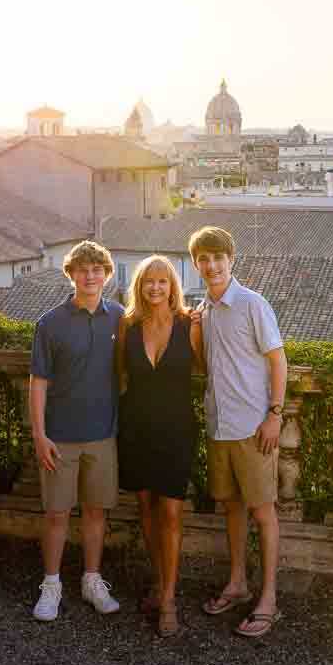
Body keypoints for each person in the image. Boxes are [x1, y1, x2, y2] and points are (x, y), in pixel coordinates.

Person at [190, 226, 288, 639]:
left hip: (253, 427)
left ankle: (269, 599)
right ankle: (237, 582)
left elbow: (279, 361)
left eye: (218, 257)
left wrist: (275, 415)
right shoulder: (204, 311)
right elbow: (204, 367)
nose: (211, 265)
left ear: (232, 260)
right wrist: (194, 332)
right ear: (196, 264)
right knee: (230, 507)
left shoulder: (252, 304)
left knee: (263, 513)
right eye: (203, 259)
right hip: (219, 426)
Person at [29, 240, 124, 622]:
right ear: (71, 274)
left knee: (96, 512)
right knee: (56, 514)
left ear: (107, 274)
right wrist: (39, 434)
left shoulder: (120, 317)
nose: (90, 275)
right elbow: (38, 382)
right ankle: (50, 585)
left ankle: (91, 580)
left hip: (103, 435)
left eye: (97, 269)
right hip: (60, 438)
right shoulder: (50, 323)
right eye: (83, 269)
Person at [115, 255, 198, 637]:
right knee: (146, 509)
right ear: (140, 286)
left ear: (173, 286)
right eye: (149, 281)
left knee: (170, 513)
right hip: (137, 428)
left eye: (163, 281)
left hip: (177, 429)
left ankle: (168, 599)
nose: (156, 288)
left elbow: (210, 370)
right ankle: (157, 581)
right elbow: (120, 377)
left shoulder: (190, 326)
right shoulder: (128, 325)